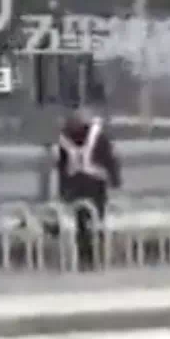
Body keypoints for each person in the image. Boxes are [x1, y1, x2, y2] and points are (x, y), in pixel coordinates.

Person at [56, 107, 121, 270]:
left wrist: (114, 181)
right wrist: (63, 189)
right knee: (82, 223)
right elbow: (62, 166)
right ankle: (87, 256)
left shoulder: (97, 137)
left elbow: (110, 160)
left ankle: (96, 254)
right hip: (78, 186)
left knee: (94, 221)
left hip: (94, 185)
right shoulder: (66, 140)